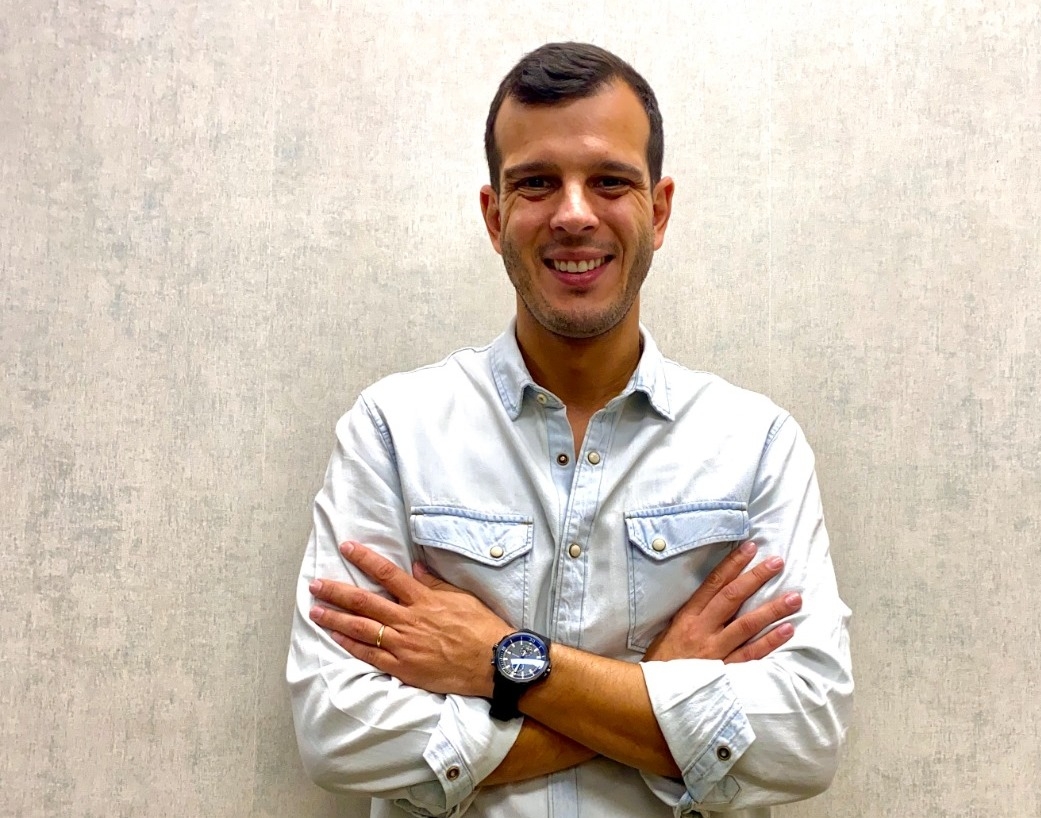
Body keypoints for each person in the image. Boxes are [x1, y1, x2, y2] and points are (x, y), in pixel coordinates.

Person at [287, 41, 853, 818]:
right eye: (537, 183)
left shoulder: (757, 445)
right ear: (495, 217)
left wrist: (502, 662)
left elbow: (805, 739)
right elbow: (338, 731)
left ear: (659, 209)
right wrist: (659, 688)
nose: (575, 214)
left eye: (610, 181)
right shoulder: (392, 432)